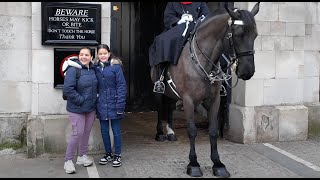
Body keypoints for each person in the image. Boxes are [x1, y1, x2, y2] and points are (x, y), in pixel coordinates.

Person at [149, 2, 210, 93]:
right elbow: (168, 17)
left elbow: (207, 16)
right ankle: (160, 77)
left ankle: (218, 79)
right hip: (178, 28)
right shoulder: (172, 3)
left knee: (215, 41)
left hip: (197, 29)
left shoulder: (200, 3)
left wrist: (197, 20)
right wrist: (180, 20)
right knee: (161, 40)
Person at [62, 47, 98, 174]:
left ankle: (82, 156)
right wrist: (81, 100)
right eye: (81, 54)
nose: (83, 57)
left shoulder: (93, 69)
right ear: (78, 56)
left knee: (86, 133)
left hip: (90, 109)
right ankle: (68, 161)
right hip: (76, 108)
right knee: (77, 133)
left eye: (86, 55)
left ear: (91, 57)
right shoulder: (73, 70)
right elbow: (68, 89)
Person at [94, 44, 127, 167]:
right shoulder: (95, 68)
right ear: (98, 55)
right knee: (104, 130)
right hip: (101, 103)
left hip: (114, 103)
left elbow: (121, 86)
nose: (102, 55)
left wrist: (120, 105)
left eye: (104, 53)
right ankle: (108, 154)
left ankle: (117, 154)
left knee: (116, 130)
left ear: (109, 53)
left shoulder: (116, 68)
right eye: (100, 53)